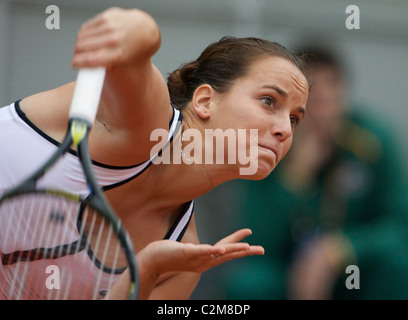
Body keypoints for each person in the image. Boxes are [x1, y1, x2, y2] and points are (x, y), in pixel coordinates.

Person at [0, 7, 309, 299]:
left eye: (295, 118)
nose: (285, 129)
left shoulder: (179, 260)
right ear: (204, 101)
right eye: (269, 101)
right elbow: (136, 47)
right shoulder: (144, 122)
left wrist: (146, 267)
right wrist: (134, 28)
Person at [218, 45, 408, 300]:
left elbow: (398, 226)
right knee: (247, 283)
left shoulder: (371, 141)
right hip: (286, 273)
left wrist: (341, 249)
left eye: (332, 101)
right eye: (313, 104)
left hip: (354, 269)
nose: (323, 115)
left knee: (396, 264)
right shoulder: (266, 142)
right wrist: (297, 174)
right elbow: (258, 239)